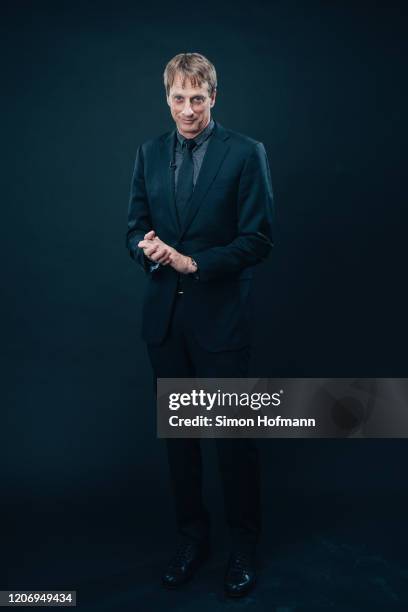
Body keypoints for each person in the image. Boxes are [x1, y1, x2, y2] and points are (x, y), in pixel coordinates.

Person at [126, 52, 274, 597]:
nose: (187, 109)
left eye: (197, 98)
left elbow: (259, 239)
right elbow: (133, 226)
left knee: (233, 440)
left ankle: (243, 546)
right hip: (164, 322)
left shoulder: (245, 154)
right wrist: (146, 250)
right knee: (180, 441)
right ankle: (193, 538)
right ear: (166, 98)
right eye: (177, 98)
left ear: (213, 97)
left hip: (221, 321)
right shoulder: (148, 153)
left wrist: (195, 263)